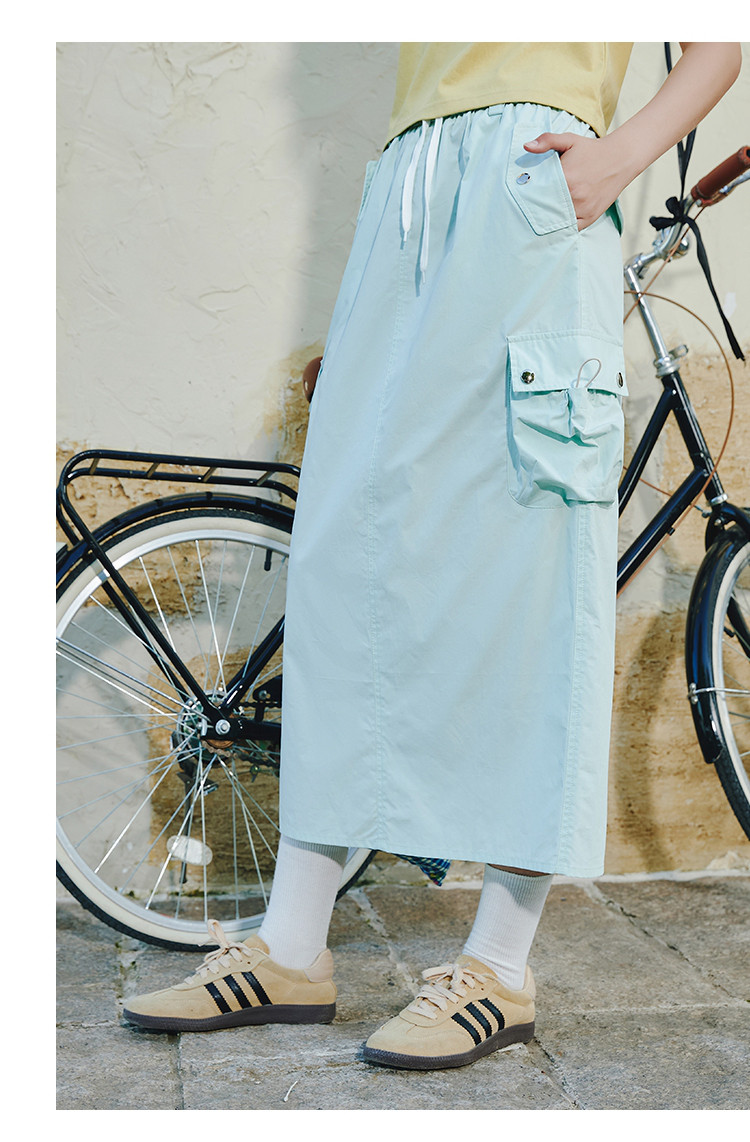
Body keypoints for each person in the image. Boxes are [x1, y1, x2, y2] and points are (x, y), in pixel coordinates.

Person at [123, 42, 741, 1070]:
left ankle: (499, 963)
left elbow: (719, 43)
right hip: (406, 193)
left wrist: (618, 156)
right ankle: (292, 946)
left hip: (534, 185)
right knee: (344, 564)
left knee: (530, 566)